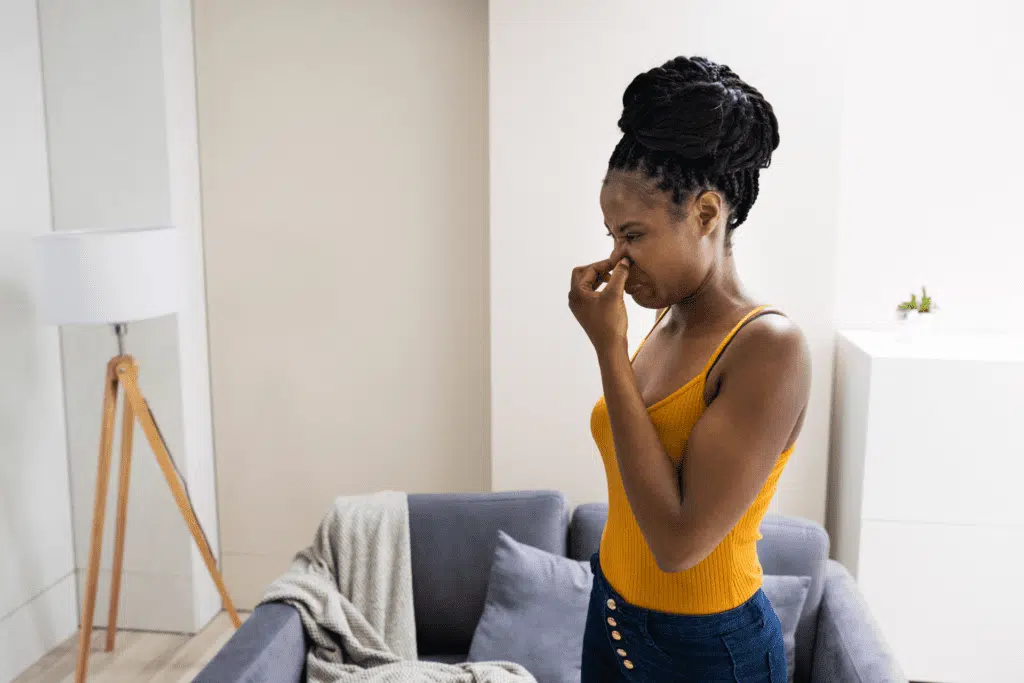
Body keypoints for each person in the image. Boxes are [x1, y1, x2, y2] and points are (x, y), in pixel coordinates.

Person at [568, 55, 811, 682]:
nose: (616, 260)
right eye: (610, 236)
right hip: (611, 610)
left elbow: (678, 545)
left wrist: (608, 354)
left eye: (634, 235)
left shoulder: (768, 346)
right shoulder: (666, 319)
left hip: (706, 650)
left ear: (705, 214)